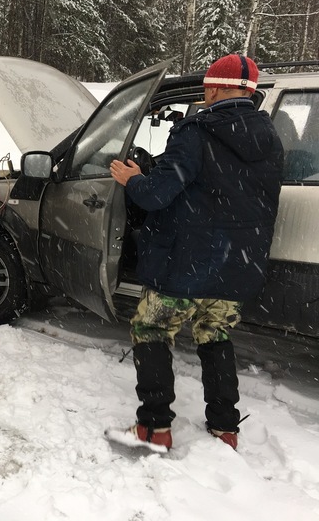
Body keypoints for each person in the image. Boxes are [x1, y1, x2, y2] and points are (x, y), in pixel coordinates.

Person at [107, 54, 284, 452]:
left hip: (185, 264)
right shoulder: (270, 136)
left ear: (217, 87)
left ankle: (155, 428)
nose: (204, 93)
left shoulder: (196, 132)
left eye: (207, 86)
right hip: (238, 265)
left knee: (150, 329)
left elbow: (156, 195)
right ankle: (225, 427)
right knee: (215, 335)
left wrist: (133, 178)